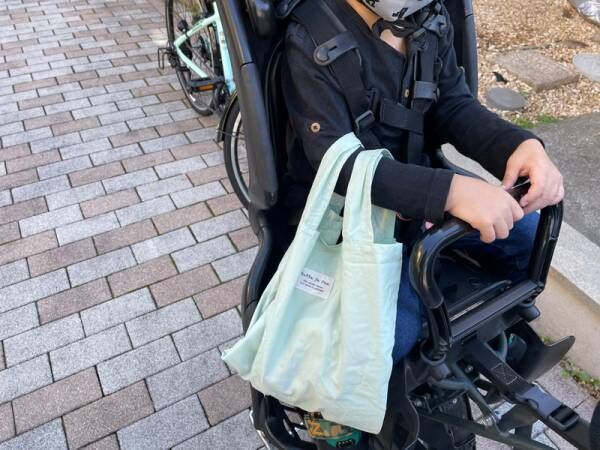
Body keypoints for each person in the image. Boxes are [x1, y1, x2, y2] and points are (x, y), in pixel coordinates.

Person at [280, 0, 564, 447]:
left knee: (528, 239)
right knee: (392, 336)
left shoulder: (427, 19)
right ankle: (329, 414)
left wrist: (518, 146)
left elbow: (452, 104)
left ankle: (491, 337)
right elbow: (339, 167)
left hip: (424, 199)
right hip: (352, 224)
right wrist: (450, 193)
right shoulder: (311, 39)